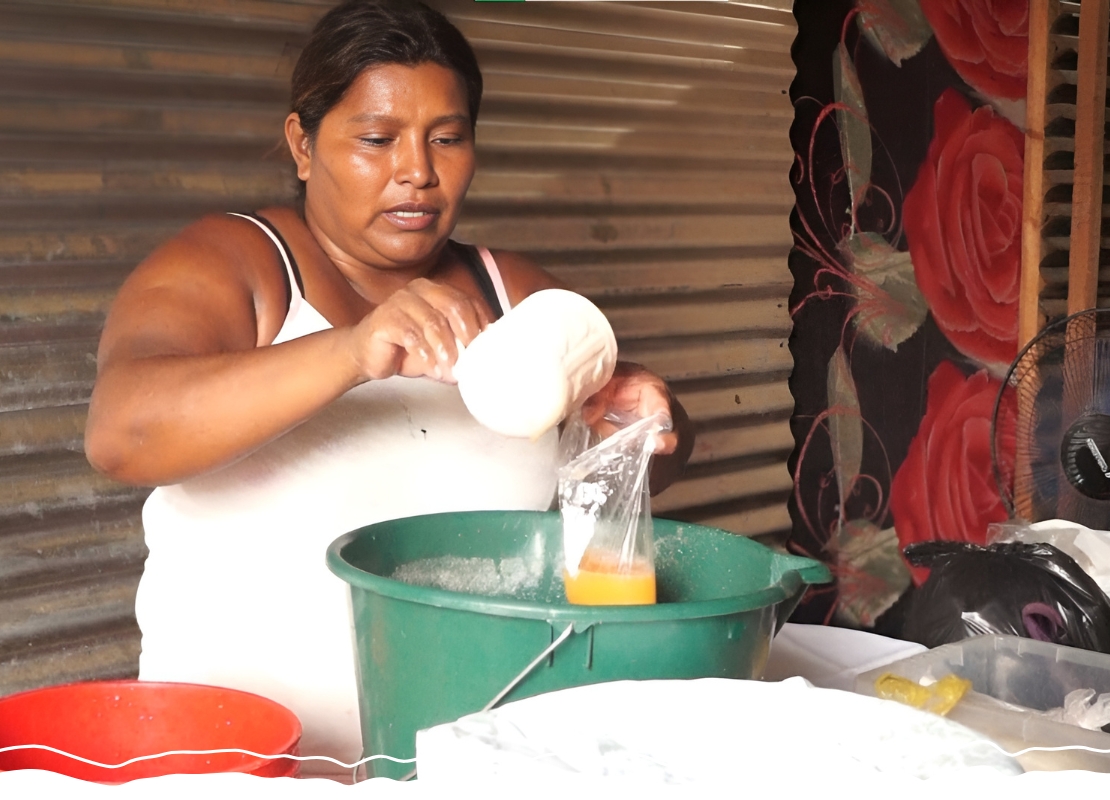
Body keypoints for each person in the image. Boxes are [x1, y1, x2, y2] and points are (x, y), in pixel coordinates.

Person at [83, 0, 693, 774]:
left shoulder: (518, 298)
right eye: (377, 138)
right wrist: (350, 352)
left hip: (468, 762)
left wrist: (644, 429)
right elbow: (120, 434)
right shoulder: (236, 266)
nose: (418, 171)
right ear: (303, 144)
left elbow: (647, 458)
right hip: (243, 766)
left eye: (448, 137)